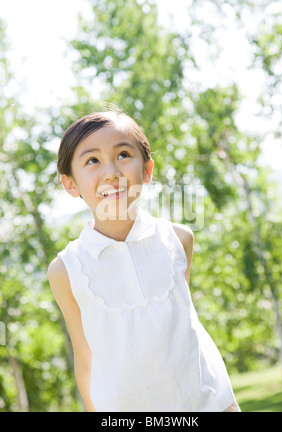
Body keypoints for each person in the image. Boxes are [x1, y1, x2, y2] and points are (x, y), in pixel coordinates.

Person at [48, 107, 240, 412]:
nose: (111, 171)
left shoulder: (179, 239)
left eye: (123, 154)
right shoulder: (66, 270)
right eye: (92, 160)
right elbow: (85, 361)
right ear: (70, 184)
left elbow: (190, 332)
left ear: (147, 170)